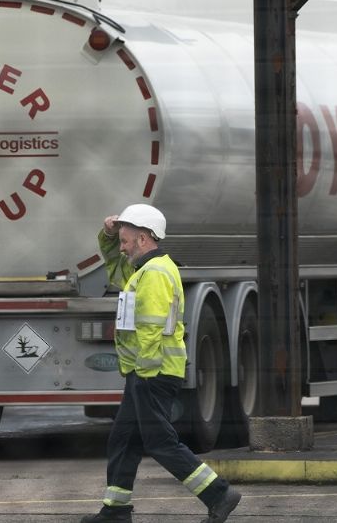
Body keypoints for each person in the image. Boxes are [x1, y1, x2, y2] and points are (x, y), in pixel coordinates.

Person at [81, 204, 241, 523]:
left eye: (125, 240)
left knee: (160, 442)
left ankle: (219, 493)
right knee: (123, 438)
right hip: (143, 371)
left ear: (142, 239)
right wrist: (108, 234)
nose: (122, 246)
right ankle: (116, 509)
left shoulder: (154, 274)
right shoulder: (145, 269)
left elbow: (152, 328)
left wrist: (144, 371)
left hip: (152, 371)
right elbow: (112, 265)